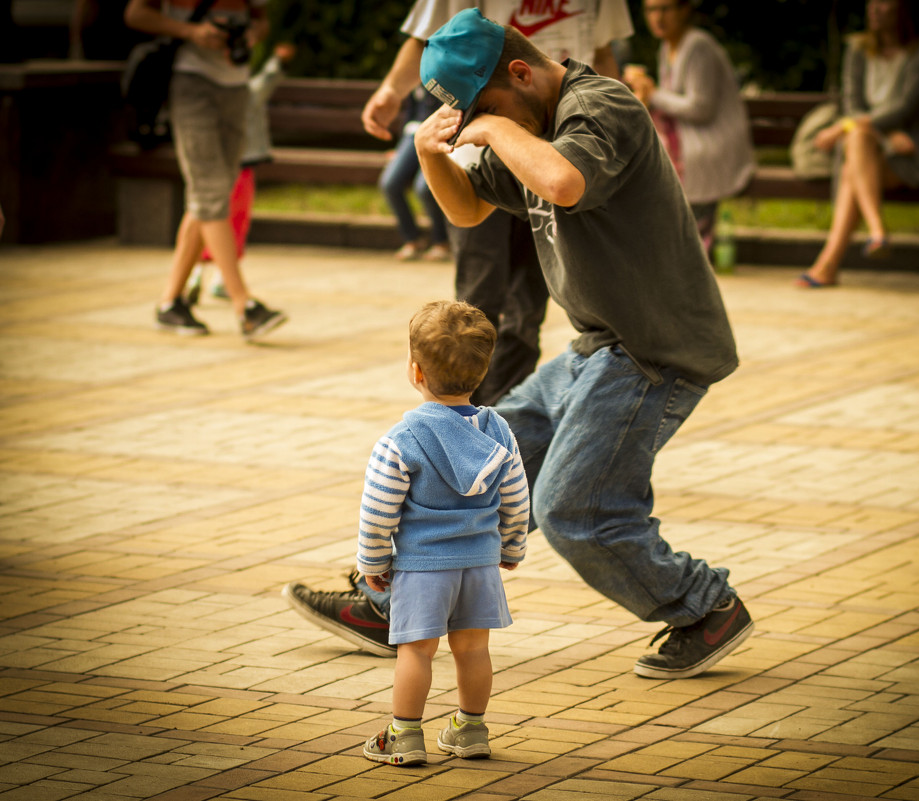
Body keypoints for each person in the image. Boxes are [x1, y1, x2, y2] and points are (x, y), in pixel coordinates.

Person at [286, 10, 752, 681]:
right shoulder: (524, 123)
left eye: (491, 109)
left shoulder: (602, 107)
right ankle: (390, 604)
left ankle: (706, 606)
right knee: (473, 464)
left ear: (522, 73)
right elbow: (470, 208)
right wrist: (429, 154)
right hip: (597, 348)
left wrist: (495, 127)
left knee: (573, 509)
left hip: (655, 351)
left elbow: (564, 182)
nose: (485, 129)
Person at [360, 0, 633, 406]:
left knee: (527, 310)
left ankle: (504, 420)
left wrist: (612, 139)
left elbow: (602, 51)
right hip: (479, 164)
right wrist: (391, 92)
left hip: (555, 153)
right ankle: (467, 415)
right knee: (478, 304)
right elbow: (425, 39)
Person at [356, 300, 529, 766]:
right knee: (474, 650)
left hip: (422, 567)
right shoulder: (500, 432)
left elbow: (378, 513)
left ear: (416, 371)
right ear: (483, 371)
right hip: (479, 563)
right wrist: (512, 546)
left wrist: (372, 563)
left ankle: (404, 736)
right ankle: (470, 729)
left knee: (416, 653)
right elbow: (516, 499)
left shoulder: (400, 439)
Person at [124, 0, 287, 340]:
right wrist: (191, 31)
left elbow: (262, 19)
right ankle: (245, 307)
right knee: (211, 192)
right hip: (190, 81)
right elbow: (135, 13)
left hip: (236, 84)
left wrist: (254, 33)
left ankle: (170, 303)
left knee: (208, 196)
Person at [796, 0, 919, 288]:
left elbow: (906, 107)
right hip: (873, 148)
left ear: (904, 8)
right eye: (871, 2)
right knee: (857, 142)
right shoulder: (858, 48)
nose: (875, 8)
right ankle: (876, 231)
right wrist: (877, 133)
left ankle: (830, 264)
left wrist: (860, 129)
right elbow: (852, 104)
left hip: (913, 152)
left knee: (852, 166)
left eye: (884, 1)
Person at [625, 0, 754, 256]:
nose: (657, 17)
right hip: (686, 137)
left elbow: (700, 109)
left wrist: (652, 93)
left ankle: (688, 250)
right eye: (651, 10)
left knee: (652, 155)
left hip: (713, 141)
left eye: (665, 9)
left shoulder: (698, 46)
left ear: (684, 10)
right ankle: (666, 246)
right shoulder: (667, 47)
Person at [185, 42, 296, 305]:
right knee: (233, 221)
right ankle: (224, 283)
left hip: (216, 167)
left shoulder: (205, 97)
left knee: (203, 216)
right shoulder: (245, 92)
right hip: (241, 167)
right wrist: (279, 61)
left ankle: (197, 276)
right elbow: (267, 80)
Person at [380, 87, 452, 262]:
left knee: (424, 188)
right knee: (389, 184)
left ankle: (441, 241)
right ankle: (413, 239)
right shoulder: (415, 72)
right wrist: (399, 149)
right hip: (412, 135)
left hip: (440, 132)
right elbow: (410, 112)